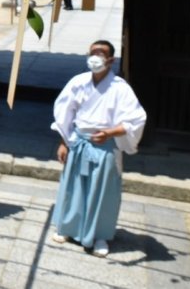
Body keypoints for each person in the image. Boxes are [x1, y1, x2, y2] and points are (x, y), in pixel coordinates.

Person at [51, 40, 147, 257]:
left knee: (103, 191)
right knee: (73, 187)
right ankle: (68, 227)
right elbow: (64, 112)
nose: (95, 56)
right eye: (92, 52)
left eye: (101, 53)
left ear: (111, 60)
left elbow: (136, 119)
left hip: (106, 145)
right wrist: (63, 142)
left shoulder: (120, 88)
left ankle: (100, 235)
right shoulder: (78, 82)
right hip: (79, 141)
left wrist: (110, 133)